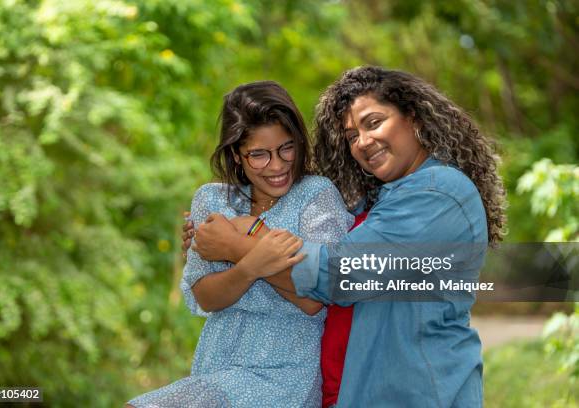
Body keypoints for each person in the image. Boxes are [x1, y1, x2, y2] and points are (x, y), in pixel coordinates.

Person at [184, 66, 506, 407]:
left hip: (416, 391)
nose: (364, 142)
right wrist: (204, 237)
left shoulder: (437, 193)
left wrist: (237, 243)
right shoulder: (384, 197)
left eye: (374, 122)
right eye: (352, 136)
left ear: (413, 117)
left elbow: (338, 273)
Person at [127, 81, 353, 408]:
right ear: (237, 154)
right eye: (259, 155)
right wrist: (252, 267)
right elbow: (206, 295)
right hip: (215, 362)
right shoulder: (212, 199)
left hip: (284, 374)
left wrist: (236, 246)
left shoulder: (316, 196)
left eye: (286, 148)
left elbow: (314, 299)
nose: (277, 166)